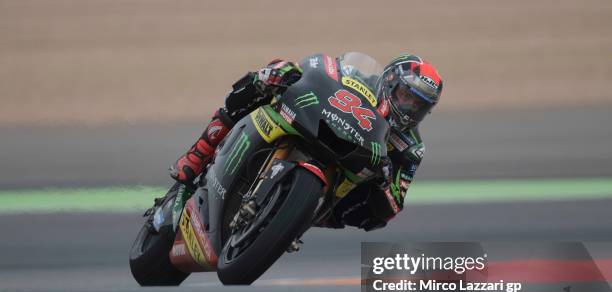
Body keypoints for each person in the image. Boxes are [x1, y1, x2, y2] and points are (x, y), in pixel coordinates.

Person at [169, 53, 443, 231]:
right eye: (408, 97)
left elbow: (395, 202)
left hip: (341, 179)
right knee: (275, 73)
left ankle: (294, 216)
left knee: (374, 215)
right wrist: (288, 73)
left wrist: (385, 184)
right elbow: (322, 68)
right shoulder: (361, 78)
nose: (410, 108)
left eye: (419, 106)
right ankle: (197, 154)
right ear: (390, 81)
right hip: (313, 123)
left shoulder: (411, 147)